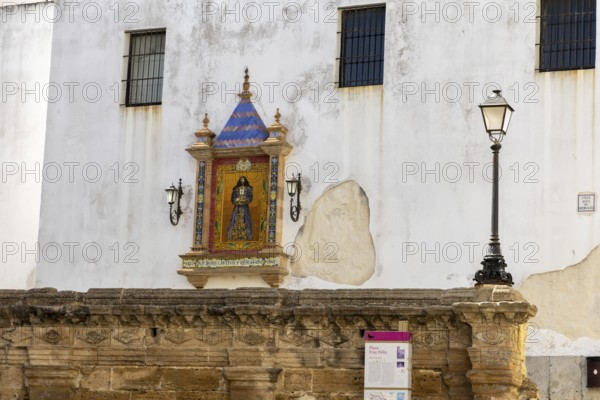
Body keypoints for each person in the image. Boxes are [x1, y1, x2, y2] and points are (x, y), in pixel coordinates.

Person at [226, 176, 253, 241]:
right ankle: (234, 235)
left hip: (244, 207)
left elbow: (250, 197)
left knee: (245, 219)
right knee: (235, 219)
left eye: (243, 179)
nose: (242, 180)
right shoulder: (236, 189)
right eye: (241, 179)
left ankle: (246, 235)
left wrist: (245, 200)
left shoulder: (248, 189)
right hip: (237, 207)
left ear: (245, 180)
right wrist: (236, 200)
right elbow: (233, 198)